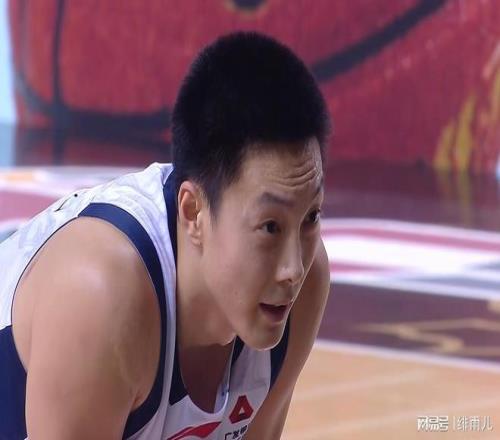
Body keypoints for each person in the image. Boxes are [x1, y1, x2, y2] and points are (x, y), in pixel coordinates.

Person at [0, 31, 331, 440]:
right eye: (270, 227)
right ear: (194, 212)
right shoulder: (99, 298)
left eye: (311, 217)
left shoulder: (307, 284)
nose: (293, 269)